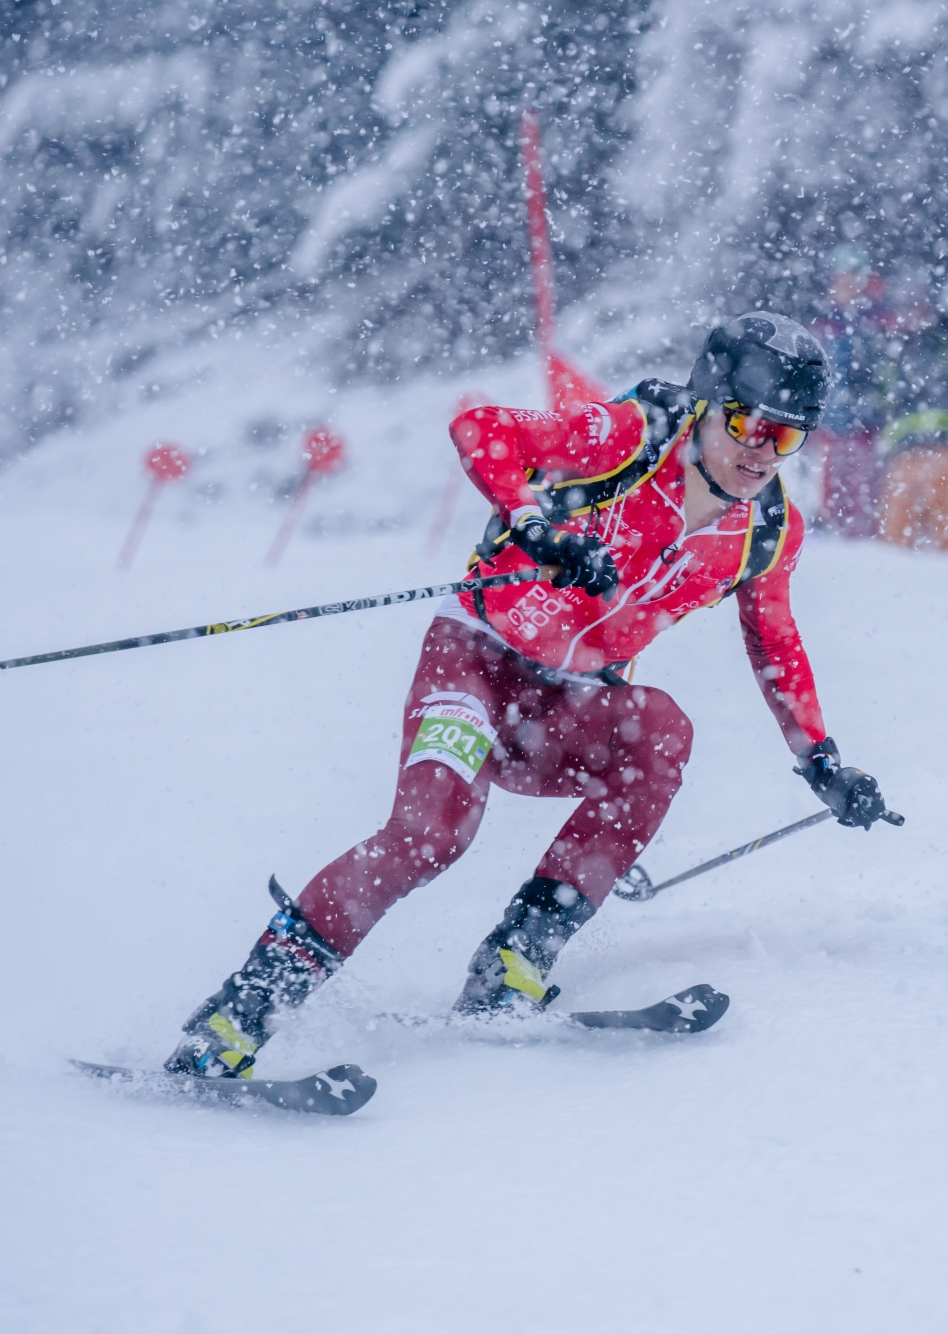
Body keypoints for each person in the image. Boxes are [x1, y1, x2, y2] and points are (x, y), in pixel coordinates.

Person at [163, 313, 899, 1080]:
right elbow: (481, 428)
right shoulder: (632, 434)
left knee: (661, 732)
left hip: (567, 709)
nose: (759, 450)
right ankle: (234, 1021)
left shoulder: (768, 530)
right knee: (430, 836)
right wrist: (534, 524)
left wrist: (822, 761)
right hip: (475, 665)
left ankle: (511, 965)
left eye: (785, 437)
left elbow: (775, 641)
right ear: (710, 401)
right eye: (748, 422)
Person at [872, 275, 948, 552]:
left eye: (919, 304)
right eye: (906, 306)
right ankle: (900, 579)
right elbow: (879, 398)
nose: (913, 313)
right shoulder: (893, 348)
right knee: (896, 532)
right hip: (905, 450)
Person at [808, 248, 886, 540]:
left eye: (854, 281)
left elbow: (881, 373)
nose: (848, 288)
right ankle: (832, 531)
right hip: (829, 425)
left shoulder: (875, 324)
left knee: (863, 487)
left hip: (866, 425)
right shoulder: (824, 326)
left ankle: (859, 539)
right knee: (829, 487)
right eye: (842, 281)